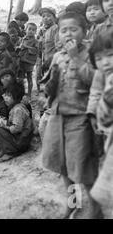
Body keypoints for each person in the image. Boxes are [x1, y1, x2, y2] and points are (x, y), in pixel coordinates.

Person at [41, 11, 100, 219]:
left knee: (83, 169)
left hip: (80, 118)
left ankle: (95, 210)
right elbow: (49, 89)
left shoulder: (92, 53)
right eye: (63, 30)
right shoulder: (57, 56)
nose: (68, 34)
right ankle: (73, 204)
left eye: (73, 29)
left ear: (83, 31)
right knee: (63, 166)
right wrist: (50, 83)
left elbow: (96, 81)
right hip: (58, 117)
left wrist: (76, 57)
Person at [87, 28, 113, 218]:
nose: (105, 62)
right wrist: (93, 113)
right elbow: (95, 93)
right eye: (99, 58)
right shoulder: (102, 75)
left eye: (110, 55)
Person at [0, 83, 33, 162]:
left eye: (9, 96)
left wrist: (4, 126)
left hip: (22, 141)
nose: (5, 98)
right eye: (5, 95)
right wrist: (5, 122)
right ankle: (5, 149)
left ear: (16, 97)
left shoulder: (18, 110)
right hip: (20, 138)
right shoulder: (16, 107)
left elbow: (16, 129)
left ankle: (11, 152)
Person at [17, 23, 39, 96]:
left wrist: (27, 47)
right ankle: (21, 92)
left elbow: (36, 50)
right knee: (20, 77)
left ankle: (29, 94)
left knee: (29, 77)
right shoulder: (22, 39)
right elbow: (20, 47)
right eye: (29, 29)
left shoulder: (35, 41)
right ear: (25, 30)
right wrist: (18, 48)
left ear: (36, 32)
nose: (31, 31)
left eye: (33, 30)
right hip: (21, 60)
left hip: (29, 61)